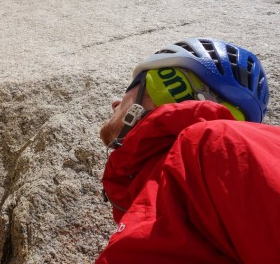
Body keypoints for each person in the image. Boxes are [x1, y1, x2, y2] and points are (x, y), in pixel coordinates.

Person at [96, 37, 280, 263]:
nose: (116, 102)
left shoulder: (217, 143)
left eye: (133, 86)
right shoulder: (165, 190)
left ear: (167, 88)